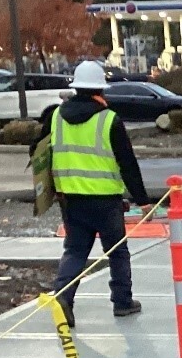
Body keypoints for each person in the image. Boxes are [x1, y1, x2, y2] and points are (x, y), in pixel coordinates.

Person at [42, 60, 152, 329]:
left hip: (71, 199)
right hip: (105, 201)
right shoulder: (109, 119)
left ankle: (63, 298)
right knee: (117, 252)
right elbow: (127, 163)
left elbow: (40, 152)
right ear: (100, 90)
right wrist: (143, 201)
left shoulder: (55, 116)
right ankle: (122, 302)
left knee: (75, 251)